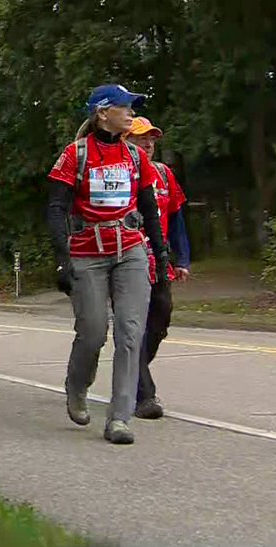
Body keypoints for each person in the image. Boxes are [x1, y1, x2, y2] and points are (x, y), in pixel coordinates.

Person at [45, 84, 169, 445]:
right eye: (125, 107)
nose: (131, 113)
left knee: (131, 333)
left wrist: (159, 256)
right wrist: (61, 260)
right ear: (103, 113)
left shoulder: (135, 156)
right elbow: (55, 209)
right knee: (94, 331)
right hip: (87, 252)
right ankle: (77, 386)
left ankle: (119, 417)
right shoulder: (75, 155)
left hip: (130, 249)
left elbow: (148, 205)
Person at [126, 117, 192, 420]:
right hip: (125, 259)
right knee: (133, 326)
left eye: (151, 139)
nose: (149, 144)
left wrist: (182, 259)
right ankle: (144, 394)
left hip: (159, 261)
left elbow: (177, 218)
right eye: (141, 139)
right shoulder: (120, 174)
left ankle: (131, 371)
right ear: (126, 141)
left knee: (161, 320)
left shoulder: (164, 175)